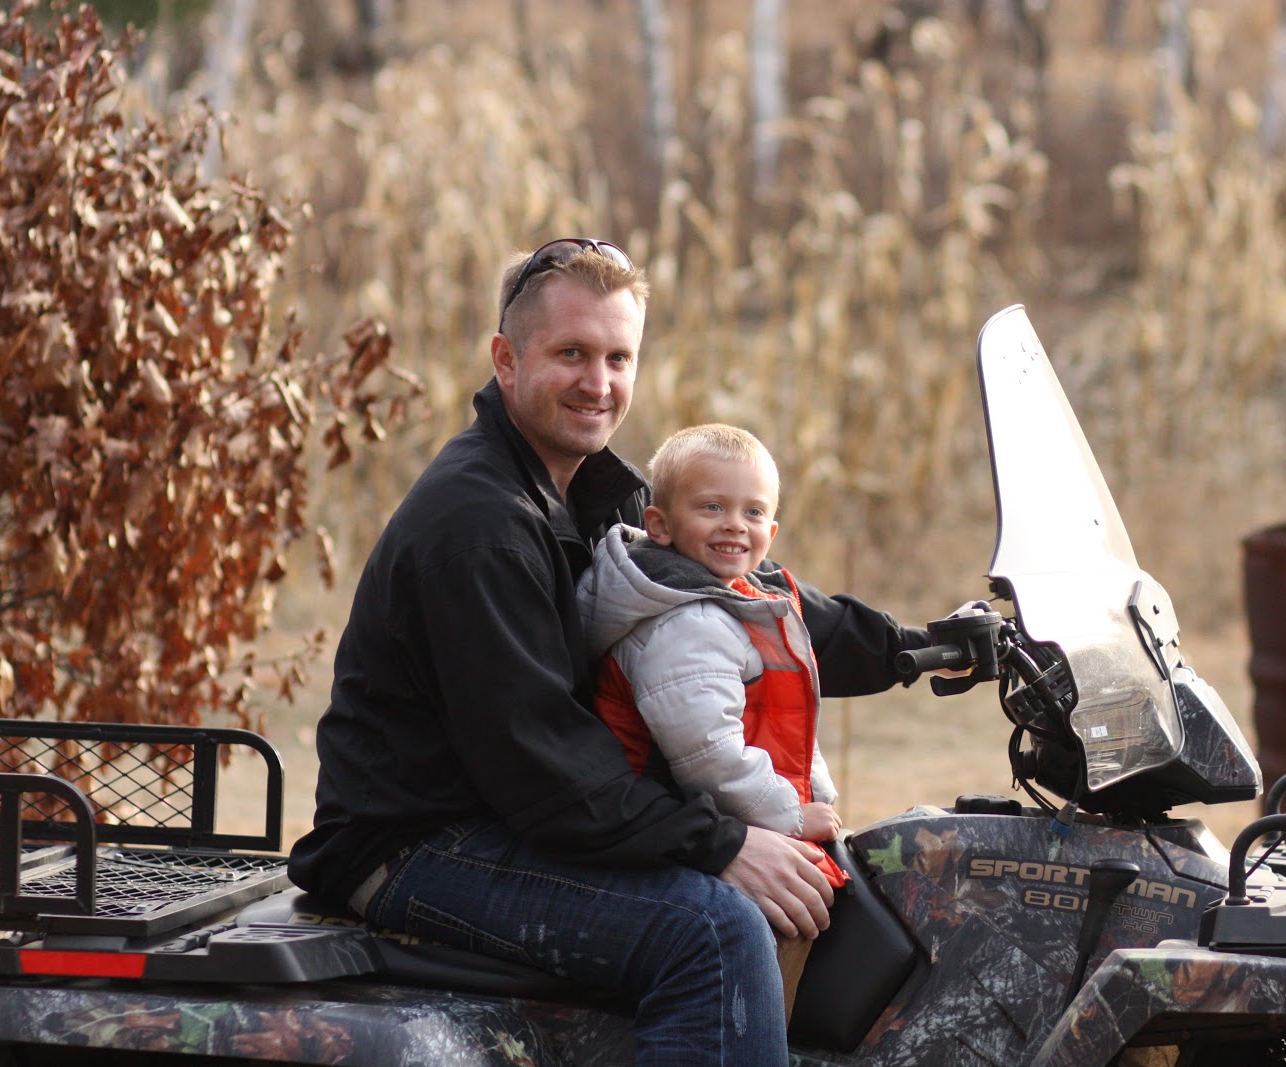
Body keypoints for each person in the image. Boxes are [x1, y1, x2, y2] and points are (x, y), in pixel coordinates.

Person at [287, 237, 930, 1065]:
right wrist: (723, 844)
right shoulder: (480, 528)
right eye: (571, 353)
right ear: (507, 359)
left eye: (617, 357)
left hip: (514, 815)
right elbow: (547, 771)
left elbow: (748, 604)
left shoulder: (598, 495)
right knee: (715, 930)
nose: (599, 382)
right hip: (419, 844)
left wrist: (925, 649)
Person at [577, 424, 850, 1018]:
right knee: (785, 921)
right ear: (659, 525)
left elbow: (788, 723)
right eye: (712, 507)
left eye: (753, 512)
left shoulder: (738, 602)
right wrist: (789, 814)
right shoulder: (684, 624)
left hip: (716, 813)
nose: (734, 525)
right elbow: (709, 755)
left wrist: (818, 797)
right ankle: (749, 1033)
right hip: (668, 822)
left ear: (771, 532)